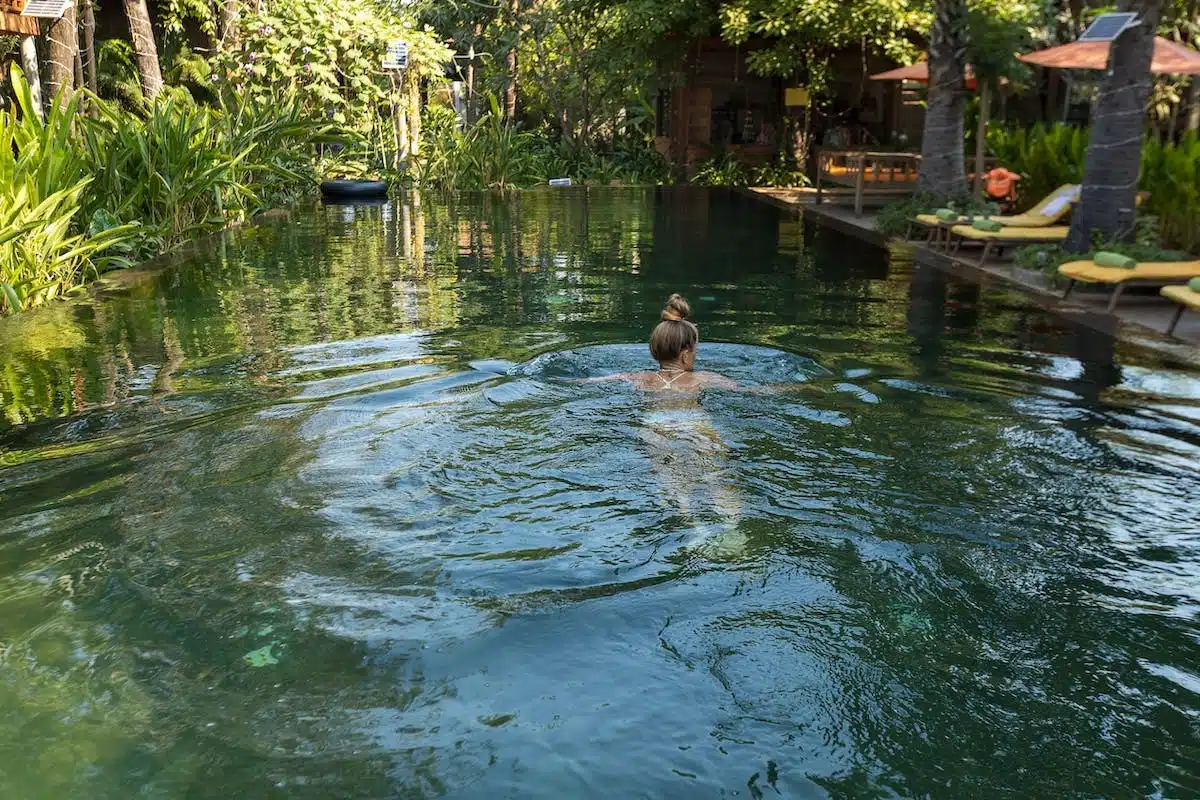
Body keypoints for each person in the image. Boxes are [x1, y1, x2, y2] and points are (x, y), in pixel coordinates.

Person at [587, 294, 738, 392]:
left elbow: (591, 381)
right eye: (694, 351)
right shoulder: (703, 378)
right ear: (685, 356)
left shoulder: (640, 377)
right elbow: (744, 390)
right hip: (693, 423)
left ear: (654, 349)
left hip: (654, 424)